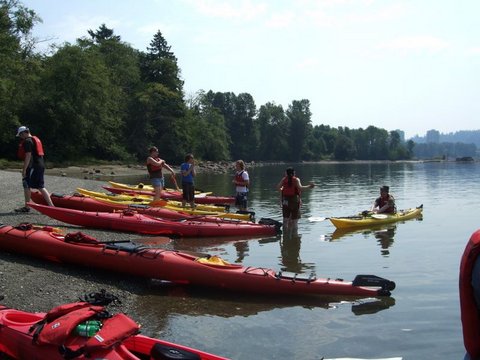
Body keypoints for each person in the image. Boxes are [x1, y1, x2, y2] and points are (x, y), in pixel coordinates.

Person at [15, 126, 54, 212]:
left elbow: (28, 156)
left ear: (24, 133)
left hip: (33, 166)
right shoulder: (35, 139)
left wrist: (24, 169)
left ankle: (27, 207)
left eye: (20, 135)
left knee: (27, 185)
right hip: (40, 165)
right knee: (39, 186)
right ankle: (51, 206)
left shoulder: (27, 142)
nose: (20, 137)